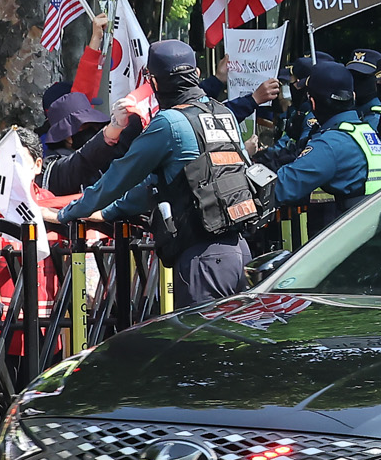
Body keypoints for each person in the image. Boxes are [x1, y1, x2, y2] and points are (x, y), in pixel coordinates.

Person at [58, 42, 256, 306]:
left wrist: (70, 212)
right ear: (196, 73)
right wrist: (108, 212)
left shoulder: (169, 123)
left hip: (204, 259)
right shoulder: (224, 114)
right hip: (241, 253)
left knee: (203, 344)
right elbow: (158, 186)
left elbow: (120, 176)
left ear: (154, 82)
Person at [273, 61, 381, 234]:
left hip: (339, 245)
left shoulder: (330, 143)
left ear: (312, 103)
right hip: (366, 235)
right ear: (353, 96)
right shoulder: (364, 131)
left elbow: (281, 188)